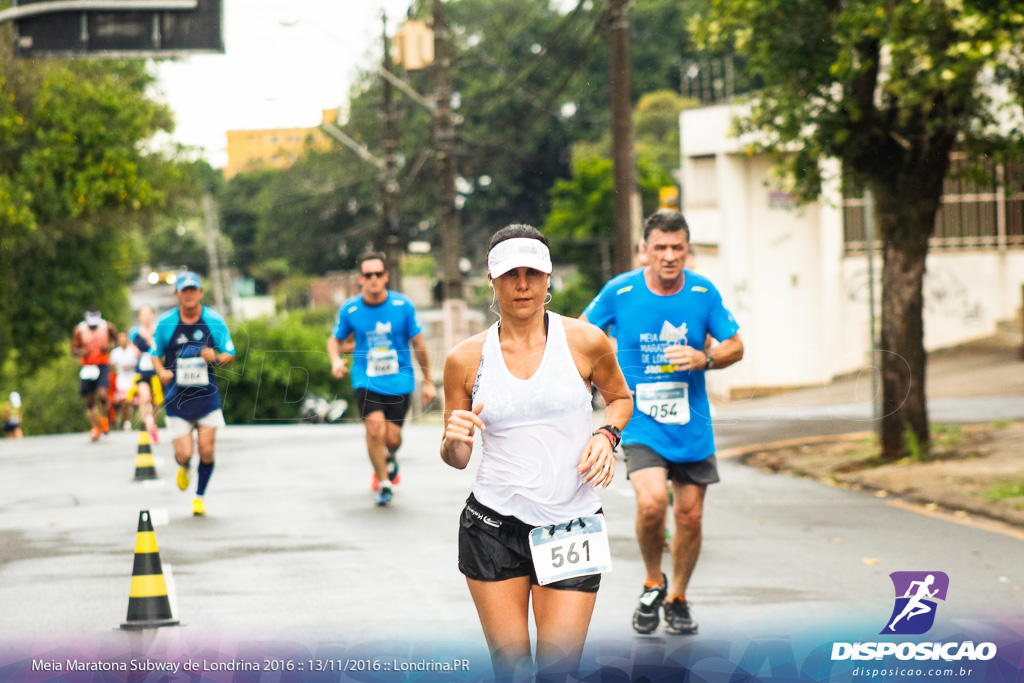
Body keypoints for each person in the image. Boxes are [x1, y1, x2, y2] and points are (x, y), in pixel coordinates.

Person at [441, 225, 633, 679]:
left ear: (549, 279)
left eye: (533, 272)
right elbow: (456, 456)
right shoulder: (465, 360)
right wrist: (455, 439)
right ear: (492, 280)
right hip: (492, 524)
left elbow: (621, 398)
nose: (522, 284)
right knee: (510, 668)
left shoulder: (585, 341)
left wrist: (606, 436)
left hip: (572, 523)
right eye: (510, 274)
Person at [581, 209, 744, 636]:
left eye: (677, 248)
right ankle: (654, 580)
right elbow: (581, 334)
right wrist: (599, 373)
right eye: (661, 248)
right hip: (639, 418)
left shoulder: (703, 291)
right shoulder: (621, 291)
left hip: (691, 423)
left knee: (689, 517)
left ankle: (678, 597)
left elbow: (736, 345)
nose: (669, 256)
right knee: (652, 503)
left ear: (687, 250)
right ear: (646, 250)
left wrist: (705, 357)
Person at [328, 252, 437, 507]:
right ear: (360, 279)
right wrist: (335, 360)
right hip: (366, 379)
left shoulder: (403, 306)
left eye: (378, 274)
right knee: (374, 428)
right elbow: (336, 340)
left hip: (400, 380)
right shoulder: (350, 309)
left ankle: (389, 457)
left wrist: (429, 380)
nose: (374, 279)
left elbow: (418, 343)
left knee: (392, 438)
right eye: (368, 275)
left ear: (386, 277)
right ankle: (384, 483)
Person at [150, 272, 236, 517]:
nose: (189, 294)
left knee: (207, 451)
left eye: (193, 290)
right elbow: (155, 352)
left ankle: (199, 496)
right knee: (185, 453)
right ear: (177, 294)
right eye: (184, 290)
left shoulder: (213, 320)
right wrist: (161, 372)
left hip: (207, 397)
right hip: (177, 399)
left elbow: (230, 352)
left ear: (200, 293)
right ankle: (184, 466)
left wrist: (217, 358)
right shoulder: (167, 323)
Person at [71, 308, 118, 441]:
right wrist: (82, 352)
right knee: (89, 400)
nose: (93, 326)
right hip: (87, 366)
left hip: (102, 364)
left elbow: (116, 340)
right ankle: (95, 427)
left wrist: (109, 347)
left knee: (103, 395)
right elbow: (73, 349)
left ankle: (104, 421)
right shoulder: (79, 329)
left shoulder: (107, 326)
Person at [128, 305, 163, 443]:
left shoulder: (158, 331)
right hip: (141, 370)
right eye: (143, 314)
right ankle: (148, 423)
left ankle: (153, 424)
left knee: (155, 401)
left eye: (148, 313)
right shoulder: (135, 332)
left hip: (155, 369)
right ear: (140, 317)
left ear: (152, 315)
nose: (146, 316)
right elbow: (130, 344)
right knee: (145, 398)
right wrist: (135, 350)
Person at [109, 332, 140, 430]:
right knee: (124, 401)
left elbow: (138, 361)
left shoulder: (132, 351)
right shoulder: (115, 352)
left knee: (134, 402)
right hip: (121, 379)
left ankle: (131, 414)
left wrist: (129, 366)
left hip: (132, 378)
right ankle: (125, 421)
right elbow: (111, 366)